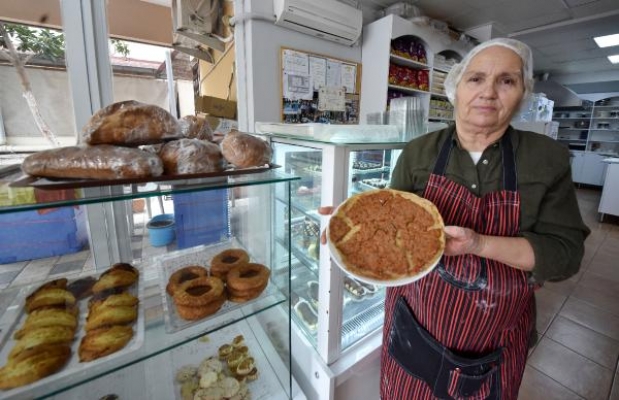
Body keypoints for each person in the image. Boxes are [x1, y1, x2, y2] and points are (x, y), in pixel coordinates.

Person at [322, 38, 589, 400]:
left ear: (523, 92)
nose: (489, 92)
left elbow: (564, 255)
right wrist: (352, 223)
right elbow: (391, 218)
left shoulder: (546, 158)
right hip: (415, 319)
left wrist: (479, 244)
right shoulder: (419, 151)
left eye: (506, 81)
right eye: (476, 78)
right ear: (456, 88)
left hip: (495, 332)